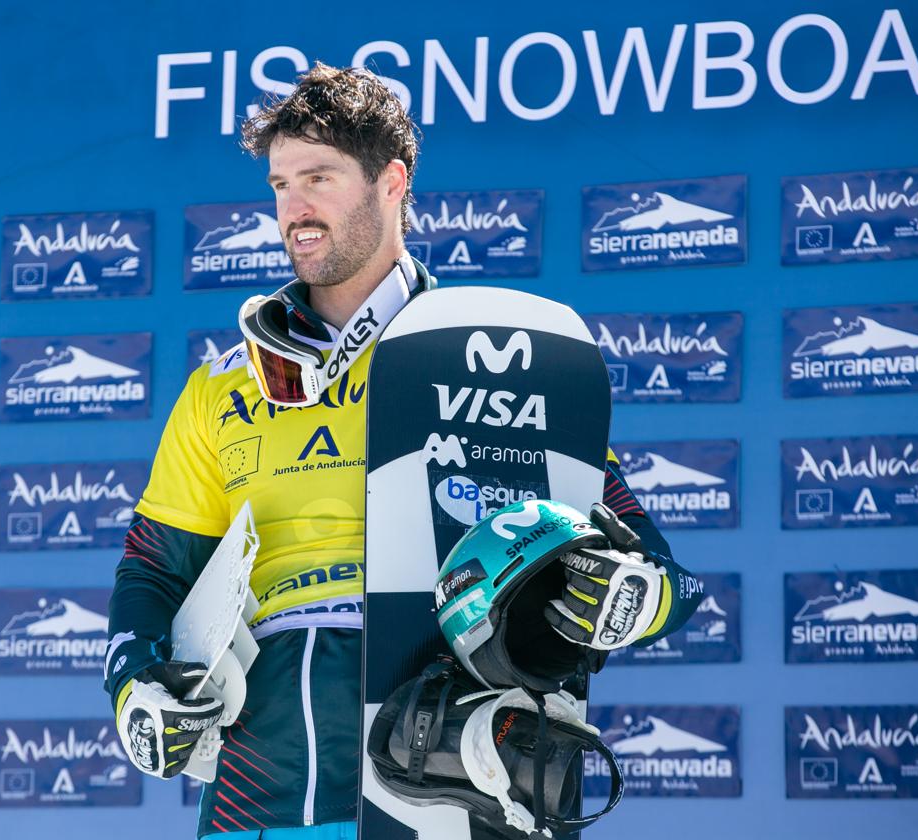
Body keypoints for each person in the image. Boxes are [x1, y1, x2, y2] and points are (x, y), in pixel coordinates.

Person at [105, 64, 700, 840]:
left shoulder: (487, 359)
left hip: (451, 768)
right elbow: (152, 571)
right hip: (269, 782)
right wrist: (135, 684)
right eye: (281, 184)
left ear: (391, 182)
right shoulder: (223, 386)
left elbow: (657, 569)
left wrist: (631, 598)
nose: (294, 208)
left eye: (318, 177)